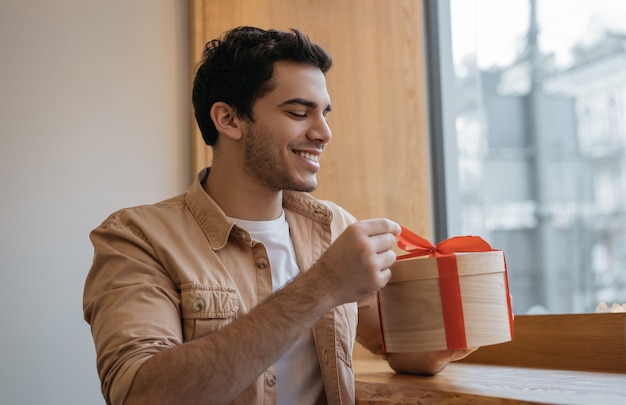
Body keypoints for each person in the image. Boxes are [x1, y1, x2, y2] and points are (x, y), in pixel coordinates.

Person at [83, 26, 475, 405]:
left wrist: (465, 317)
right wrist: (321, 286)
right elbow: (141, 395)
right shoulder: (136, 239)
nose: (324, 133)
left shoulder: (334, 228)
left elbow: (399, 348)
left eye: (324, 113)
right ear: (229, 119)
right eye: (299, 112)